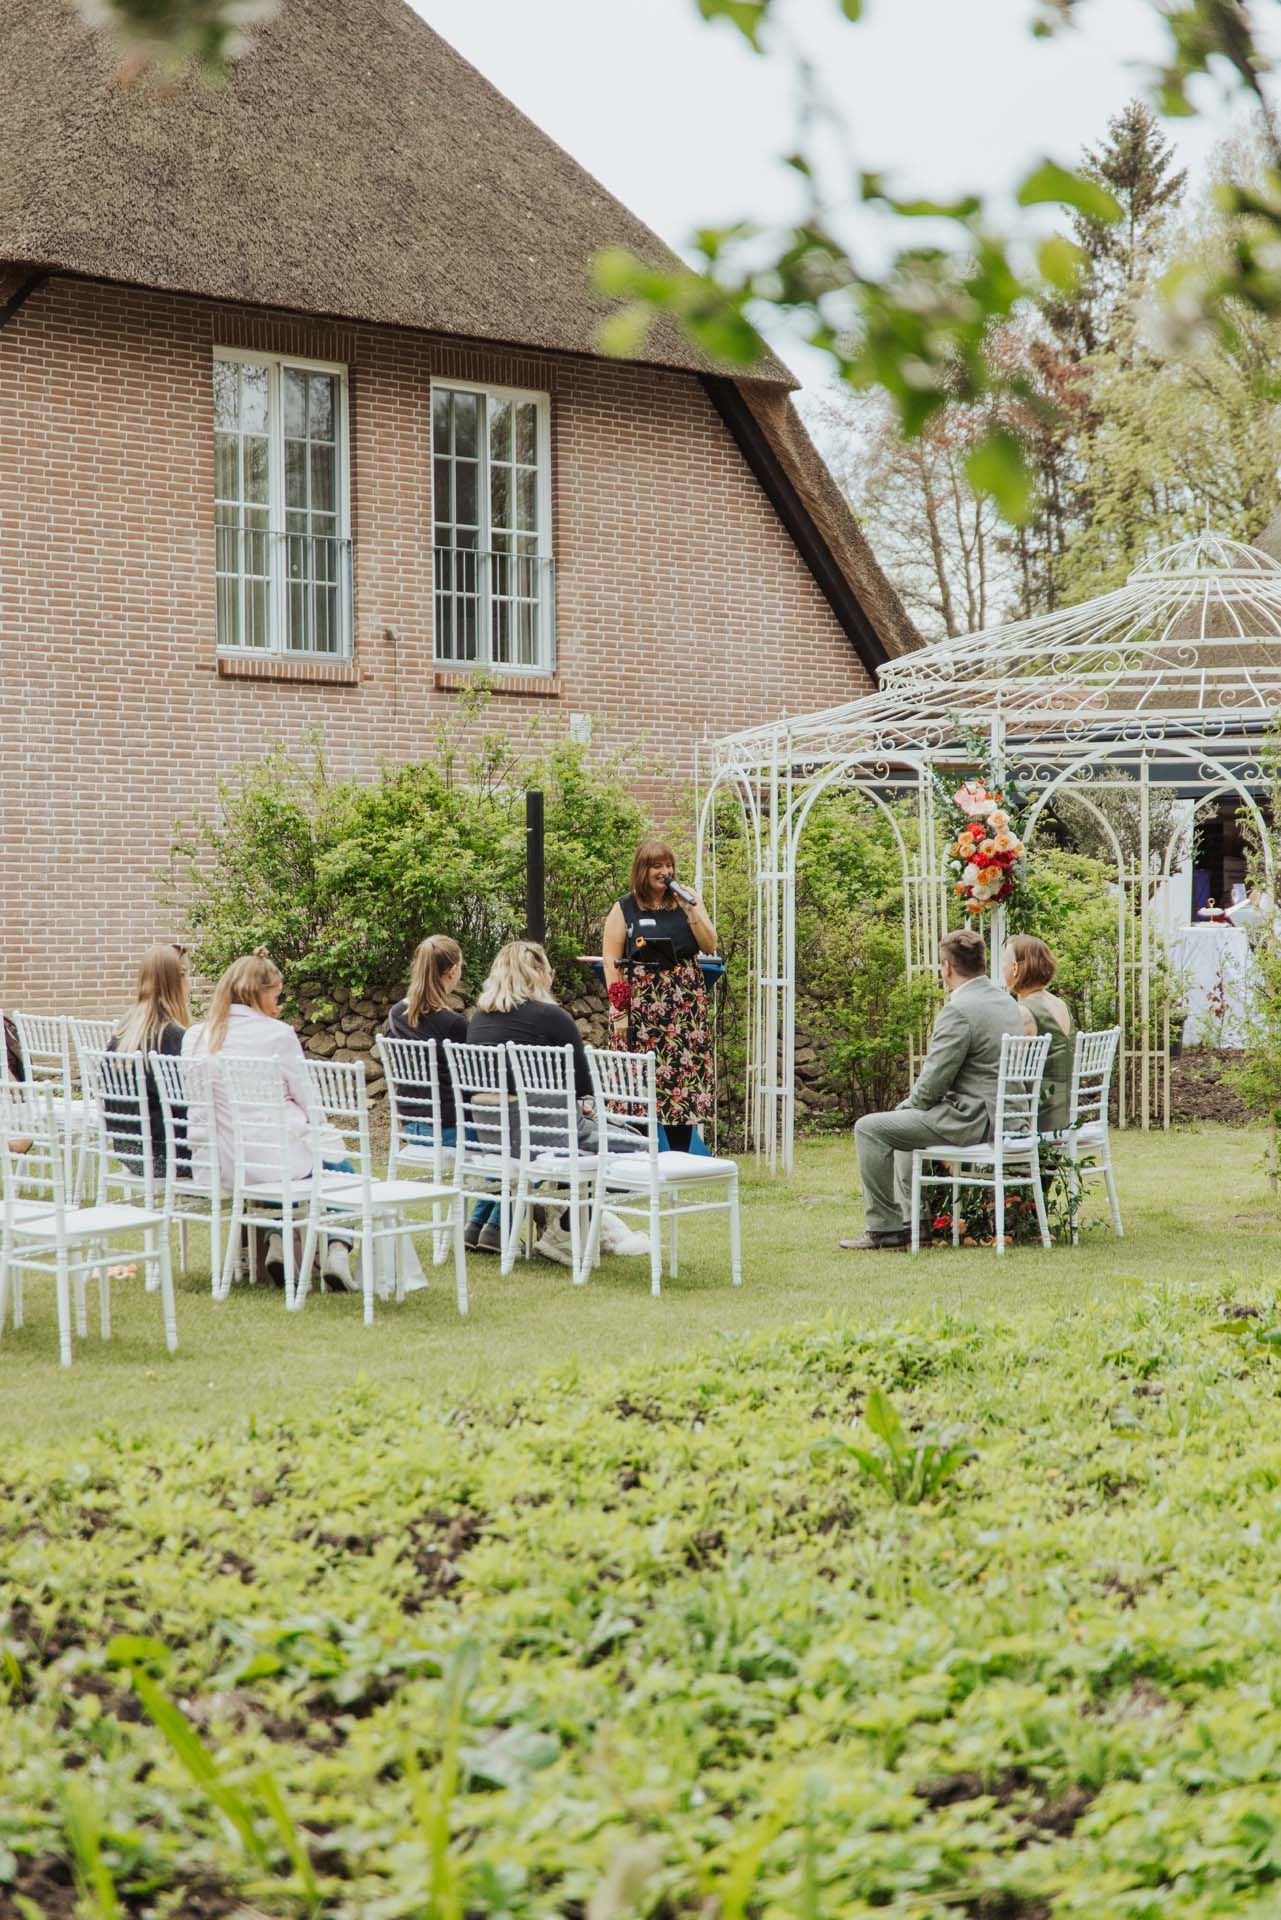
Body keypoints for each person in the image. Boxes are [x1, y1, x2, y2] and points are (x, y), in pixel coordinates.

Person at [183, 949, 357, 1291]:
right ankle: (338, 1248)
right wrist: (318, 1131)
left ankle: (279, 1243)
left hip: (217, 1162)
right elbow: (308, 1099)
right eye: (275, 993)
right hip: (269, 1161)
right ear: (257, 992)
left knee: (292, 1158)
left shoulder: (195, 1036)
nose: (279, 999)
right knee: (338, 1167)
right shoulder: (277, 1034)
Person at [467, 940, 649, 1266]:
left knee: (583, 1138)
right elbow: (584, 1087)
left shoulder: (478, 1019)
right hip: (543, 1135)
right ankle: (565, 1230)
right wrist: (583, 1107)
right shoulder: (553, 1017)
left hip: (493, 1133)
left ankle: (565, 1223)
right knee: (637, 1145)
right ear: (537, 972)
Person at [843, 927, 1026, 1251]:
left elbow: (934, 1081)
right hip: (1007, 1115)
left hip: (972, 1118)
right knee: (900, 1128)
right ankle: (917, 1224)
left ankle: (884, 1228)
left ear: (947, 968)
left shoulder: (958, 1009)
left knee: (870, 1128)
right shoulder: (1006, 1001)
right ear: (982, 963)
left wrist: (908, 1106)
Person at [602, 840, 717, 1152]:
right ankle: (636, 1162)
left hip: (683, 1010)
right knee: (638, 1085)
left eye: (669, 866)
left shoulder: (687, 901)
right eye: (658, 866)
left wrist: (692, 909)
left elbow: (709, 945)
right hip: (640, 1012)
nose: (665, 872)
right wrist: (619, 1009)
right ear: (643, 870)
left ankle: (679, 1160)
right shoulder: (624, 908)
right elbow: (612, 963)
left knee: (681, 1088)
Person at [382, 935, 486, 1244]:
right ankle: (483, 1223)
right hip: (449, 1130)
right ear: (453, 971)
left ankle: (481, 1226)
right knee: (515, 1143)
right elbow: (474, 1085)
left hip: (412, 1128)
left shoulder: (396, 1015)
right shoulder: (454, 1024)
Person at [106, 943, 191, 1176]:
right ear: (179, 980)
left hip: (130, 1152)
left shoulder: (122, 1034)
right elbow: (188, 1104)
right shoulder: (172, 1036)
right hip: (170, 1156)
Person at [1002, 934, 1075, 1133]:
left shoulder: (1023, 1012)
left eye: (1004, 962)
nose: (1002, 968)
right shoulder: (1060, 1005)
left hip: (1038, 1117)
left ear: (1015, 968)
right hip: (1065, 1112)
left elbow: (1011, 1074)